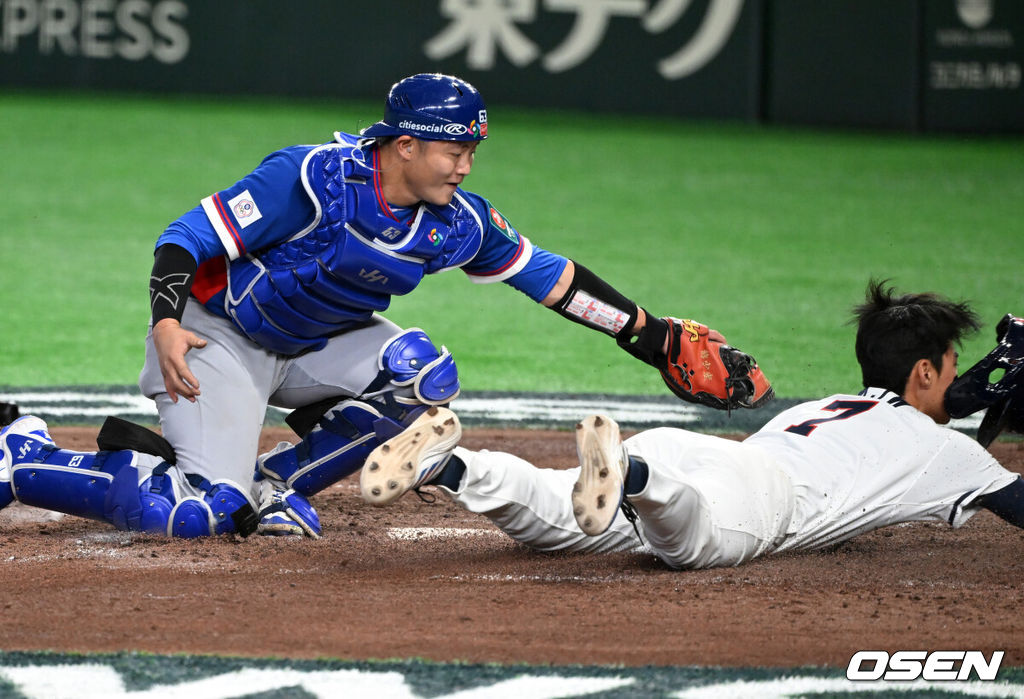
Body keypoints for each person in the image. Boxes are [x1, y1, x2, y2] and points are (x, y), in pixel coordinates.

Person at [0, 73, 767, 540]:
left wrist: (650, 335)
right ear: (404, 145)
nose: (465, 165)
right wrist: (167, 321)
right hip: (215, 341)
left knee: (423, 374)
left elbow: (553, 278)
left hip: (312, 348)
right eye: (453, 150)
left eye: (472, 151)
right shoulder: (310, 178)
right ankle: (24, 454)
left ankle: (273, 484)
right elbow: (187, 235)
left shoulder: (457, 221)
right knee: (194, 515)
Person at [357, 281, 1024, 569]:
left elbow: (922, 404)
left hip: (700, 452)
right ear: (925, 373)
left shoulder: (826, 406)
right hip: (753, 495)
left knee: (556, 513)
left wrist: (963, 394)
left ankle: (452, 464)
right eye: (951, 366)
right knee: (694, 543)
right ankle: (630, 476)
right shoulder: (943, 451)